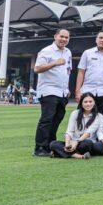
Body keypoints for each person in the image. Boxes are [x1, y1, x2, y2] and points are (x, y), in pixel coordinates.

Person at [33, 29, 72, 158]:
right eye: (62, 36)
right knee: (47, 119)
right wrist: (54, 63)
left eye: (66, 37)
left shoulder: (68, 52)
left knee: (58, 118)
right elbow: (37, 68)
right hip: (49, 90)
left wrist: (67, 88)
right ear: (55, 36)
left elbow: (67, 71)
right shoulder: (46, 51)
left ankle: (50, 144)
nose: (64, 39)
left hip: (62, 92)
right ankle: (40, 147)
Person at [75, 31, 103, 114]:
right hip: (88, 90)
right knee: (82, 116)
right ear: (96, 40)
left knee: (102, 117)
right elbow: (81, 72)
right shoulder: (87, 53)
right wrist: (78, 91)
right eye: (100, 38)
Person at [50, 93, 98, 159]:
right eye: (85, 102)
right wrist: (67, 144)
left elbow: (88, 133)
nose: (88, 104)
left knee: (87, 143)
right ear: (81, 103)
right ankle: (78, 156)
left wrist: (76, 142)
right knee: (53, 144)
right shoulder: (75, 113)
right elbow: (69, 131)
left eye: (90, 102)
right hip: (72, 142)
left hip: (84, 143)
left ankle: (59, 153)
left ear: (94, 102)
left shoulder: (98, 116)